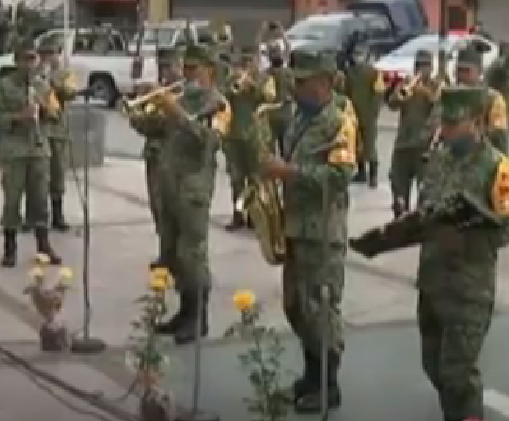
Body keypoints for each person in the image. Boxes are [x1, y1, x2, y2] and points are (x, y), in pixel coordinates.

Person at [355, 85, 509, 420]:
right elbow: (428, 211)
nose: (444, 130)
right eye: (443, 123)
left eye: (453, 123)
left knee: (459, 375)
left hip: (469, 287)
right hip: (432, 281)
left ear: (476, 123)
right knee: (434, 367)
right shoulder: (438, 159)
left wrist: (466, 240)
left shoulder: (497, 166)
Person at [262, 47, 355, 413]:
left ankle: (327, 385)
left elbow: (341, 177)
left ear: (324, 82)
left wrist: (288, 173)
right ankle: (310, 373)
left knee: (321, 309)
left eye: (303, 82)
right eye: (295, 81)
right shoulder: (300, 118)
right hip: (297, 226)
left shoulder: (339, 122)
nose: (295, 89)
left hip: (323, 231)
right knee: (296, 307)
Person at [150, 44, 229, 345]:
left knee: (191, 254)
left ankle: (199, 317)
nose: (187, 75)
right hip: (170, 185)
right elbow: (156, 130)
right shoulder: (182, 98)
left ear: (209, 70)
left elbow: (208, 141)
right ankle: (183, 312)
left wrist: (177, 113)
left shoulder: (218, 104)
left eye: (193, 69)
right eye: (186, 68)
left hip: (193, 190)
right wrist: (147, 109)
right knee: (171, 252)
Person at [0, 41, 61, 267]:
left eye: (33, 59)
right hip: (15, 149)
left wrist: (46, 108)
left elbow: (56, 114)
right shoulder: (3, 85)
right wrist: (18, 117)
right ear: (17, 61)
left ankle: (43, 244)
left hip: (39, 148)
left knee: (40, 198)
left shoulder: (42, 85)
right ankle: (9, 247)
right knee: (12, 199)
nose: (30, 65)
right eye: (26, 59)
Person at [130, 46, 184, 268]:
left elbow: (160, 125)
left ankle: (178, 256)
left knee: (173, 209)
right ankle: (166, 253)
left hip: (173, 159)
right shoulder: (161, 92)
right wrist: (139, 107)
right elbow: (146, 125)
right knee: (157, 207)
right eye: (162, 67)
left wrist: (141, 115)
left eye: (170, 67)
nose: (166, 72)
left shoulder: (181, 94)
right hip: (155, 156)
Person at [223, 47, 276, 231]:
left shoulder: (265, 79)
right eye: (243, 63)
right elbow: (222, 97)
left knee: (255, 178)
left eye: (250, 62)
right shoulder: (232, 79)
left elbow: (271, 98)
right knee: (236, 179)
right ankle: (238, 214)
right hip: (235, 134)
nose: (247, 66)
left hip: (256, 136)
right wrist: (235, 82)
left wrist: (253, 86)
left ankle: (255, 215)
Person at [387, 49, 440, 218]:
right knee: (398, 185)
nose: (421, 69)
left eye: (425, 65)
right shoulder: (407, 83)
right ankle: (400, 217)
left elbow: (438, 105)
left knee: (425, 189)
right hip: (403, 142)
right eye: (419, 65)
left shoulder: (436, 85)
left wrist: (424, 91)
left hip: (424, 146)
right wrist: (401, 92)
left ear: (431, 68)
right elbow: (392, 104)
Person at [37, 37, 80, 232]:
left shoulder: (65, 74)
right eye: (44, 54)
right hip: (39, 130)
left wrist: (52, 80)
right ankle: (37, 215)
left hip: (58, 130)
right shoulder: (34, 74)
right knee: (38, 175)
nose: (48, 58)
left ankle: (57, 214)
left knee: (57, 173)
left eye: (51, 54)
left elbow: (71, 92)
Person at [344, 38, 387, 186]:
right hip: (353, 114)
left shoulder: (374, 73)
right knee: (357, 145)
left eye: (361, 54)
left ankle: (373, 175)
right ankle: (361, 173)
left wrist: (374, 111)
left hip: (368, 115)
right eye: (356, 54)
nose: (358, 57)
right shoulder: (349, 72)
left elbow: (379, 93)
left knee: (369, 146)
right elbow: (346, 92)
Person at [454, 42, 509, 153]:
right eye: (459, 70)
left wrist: (474, 132)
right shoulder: (450, 96)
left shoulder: (493, 99)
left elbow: (500, 140)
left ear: (479, 72)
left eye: (467, 71)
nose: (461, 76)